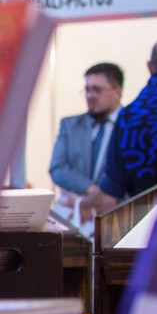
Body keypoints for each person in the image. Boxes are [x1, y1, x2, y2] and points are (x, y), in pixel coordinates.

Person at [82, 38, 157, 216]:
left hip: (147, 224)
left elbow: (111, 192)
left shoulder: (129, 117)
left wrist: (80, 206)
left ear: (150, 67)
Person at [48, 62, 123, 212]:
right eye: (87, 90)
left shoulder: (131, 127)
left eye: (97, 90)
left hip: (117, 213)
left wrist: (101, 200)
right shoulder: (70, 125)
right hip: (72, 211)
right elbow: (57, 168)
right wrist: (91, 191)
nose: (89, 96)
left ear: (117, 92)